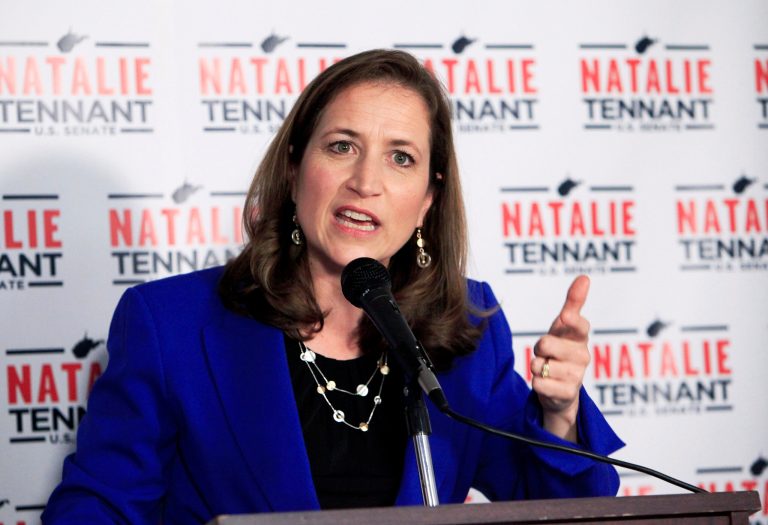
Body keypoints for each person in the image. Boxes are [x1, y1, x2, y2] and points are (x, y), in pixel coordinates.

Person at [42, 49, 623, 524]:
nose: (366, 181)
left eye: (401, 158)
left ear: (427, 198)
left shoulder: (467, 329)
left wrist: (558, 412)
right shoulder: (172, 325)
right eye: (342, 146)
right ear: (294, 169)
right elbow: (95, 511)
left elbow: (563, 508)